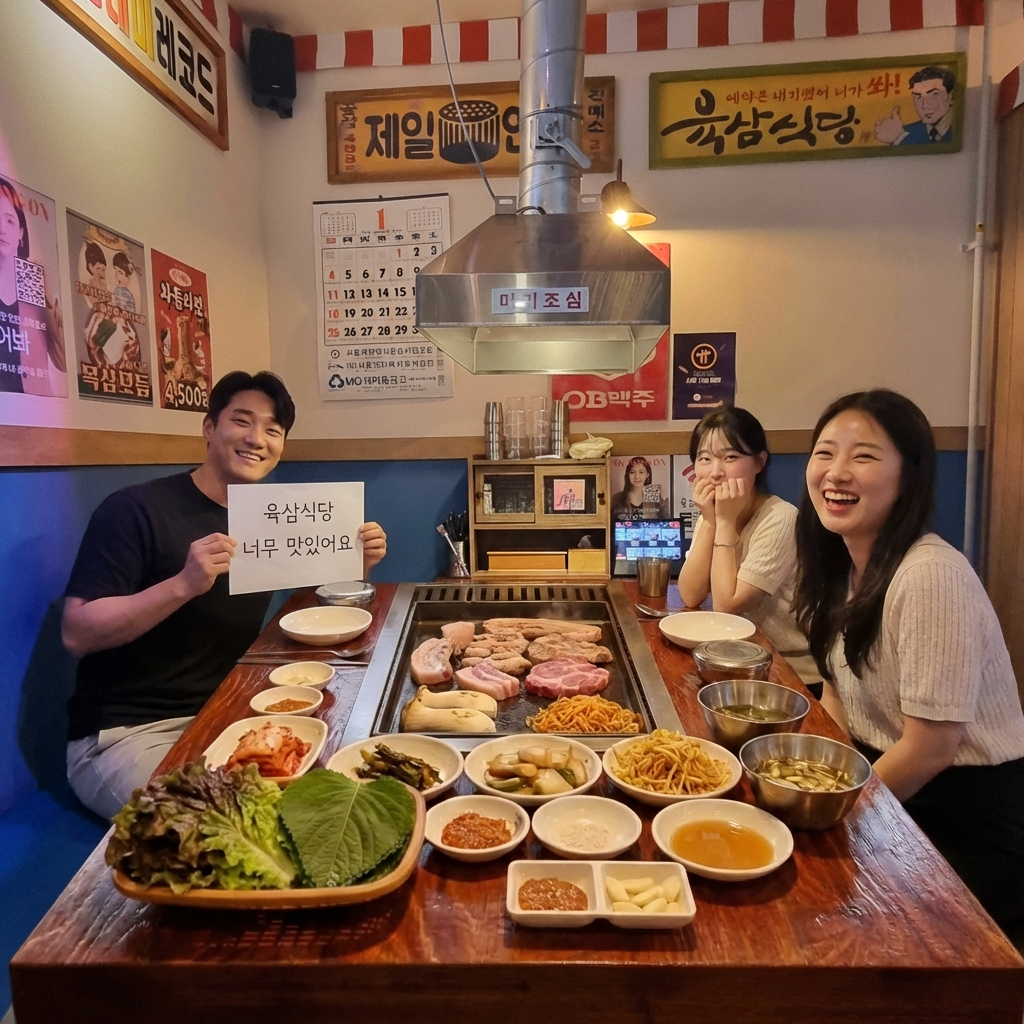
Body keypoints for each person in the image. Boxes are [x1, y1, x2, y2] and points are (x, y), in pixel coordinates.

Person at [61, 370, 388, 820]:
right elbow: (77, 633)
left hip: (228, 714)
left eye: (273, 430)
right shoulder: (135, 509)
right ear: (209, 427)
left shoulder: (267, 518)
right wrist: (182, 584)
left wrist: (355, 564)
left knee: (333, 797)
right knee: (226, 827)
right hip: (129, 733)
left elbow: (316, 610)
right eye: (241, 421)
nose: (257, 439)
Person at [794, 389, 1024, 939]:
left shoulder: (930, 574)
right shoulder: (841, 568)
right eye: (825, 453)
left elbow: (931, 748)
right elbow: (836, 698)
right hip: (891, 791)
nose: (836, 472)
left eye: (864, 456)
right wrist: (807, 779)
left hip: (960, 817)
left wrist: (830, 816)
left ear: (908, 476)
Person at [677, 407, 818, 687]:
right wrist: (710, 521)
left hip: (791, 671)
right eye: (704, 459)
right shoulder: (714, 513)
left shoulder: (781, 518)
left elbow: (726, 605)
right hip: (739, 659)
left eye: (730, 457)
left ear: (759, 462)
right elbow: (690, 594)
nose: (715, 472)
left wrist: (724, 522)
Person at [874, 66, 955, 146]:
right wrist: (898, 138)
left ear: (951, 96)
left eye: (934, 94)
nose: (924, 105)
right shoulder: (903, 133)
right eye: (918, 97)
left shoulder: (960, 128)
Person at [610, 456, 670, 520]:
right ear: (628, 474)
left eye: (641, 472)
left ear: (647, 474)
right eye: (632, 472)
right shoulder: (617, 498)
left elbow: (666, 520)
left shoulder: (655, 498)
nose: (637, 476)